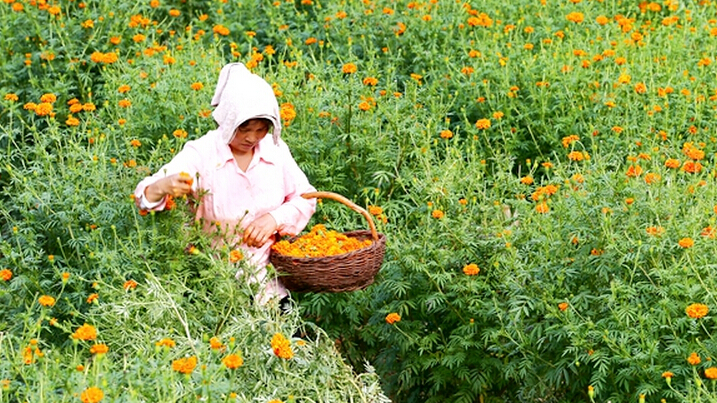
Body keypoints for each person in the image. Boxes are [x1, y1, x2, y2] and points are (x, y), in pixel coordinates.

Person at [134, 62, 316, 305]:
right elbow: (146, 195)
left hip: (269, 285)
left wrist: (275, 219)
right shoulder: (202, 153)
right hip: (212, 285)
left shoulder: (275, 150)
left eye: (262, 129)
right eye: (245, 129)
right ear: (229, 120)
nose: (252, 138)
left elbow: (306, 197)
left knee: (283, 340)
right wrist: (163, 187)